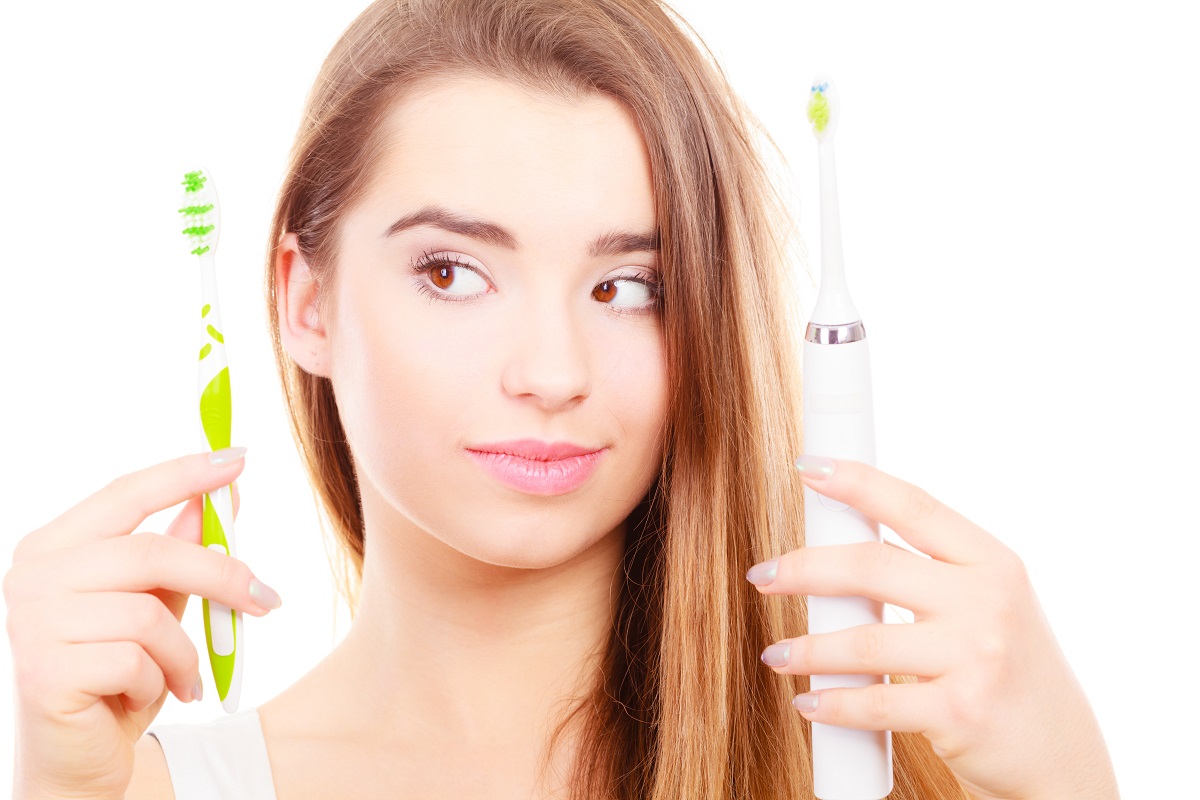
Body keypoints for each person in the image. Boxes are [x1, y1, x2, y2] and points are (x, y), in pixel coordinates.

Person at [6, 0, 1121, 798]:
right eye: (453, 271)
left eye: (626, 285)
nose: (552, 369)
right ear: (306, 300)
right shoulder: (138, 788)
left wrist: (1068, 776)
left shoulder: (878, 771)